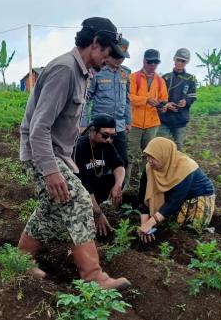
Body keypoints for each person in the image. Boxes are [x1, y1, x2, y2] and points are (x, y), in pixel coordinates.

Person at [18, 16, 131, 290]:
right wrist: (51, 170)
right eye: (106, 52)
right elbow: (39, 127)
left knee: (50, 210)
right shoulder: (65, 70)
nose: (108, 59)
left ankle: (20, 260)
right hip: (43, 153)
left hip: (55, 153)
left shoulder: (81, 72)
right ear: (95, 43)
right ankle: (93, 277)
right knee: (79, 201)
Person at [136, 137, 215, 242]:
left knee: (190, 230)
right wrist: (144, 225)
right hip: (173, 196)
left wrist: (151, 222)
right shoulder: (150, 169)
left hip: (197, 195)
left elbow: (175, 201)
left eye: (153, 157)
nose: (149, 161)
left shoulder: (186, 167)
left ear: (164, 155)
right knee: (165, 222)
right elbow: (143, 196)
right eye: (147, 156)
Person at [80, 38, 132, 174]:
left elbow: (127, 99)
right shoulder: (96, 73)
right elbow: (86, 99)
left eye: (122, 57)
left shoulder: (125, 73)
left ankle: (117, 190)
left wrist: (128, 121)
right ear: (109, 54)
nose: (119, 60)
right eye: (116, 56)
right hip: (101, 127)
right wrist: (84, 123)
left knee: (122, 161)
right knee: (100, 161)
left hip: (119, 127)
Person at [74, 115, 126, 236]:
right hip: (78, 187)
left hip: (94, 183)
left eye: (112, 136)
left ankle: (95, 207)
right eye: (105, 135)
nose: (109, 140)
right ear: (93, 131)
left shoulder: (106, 144)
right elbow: (83, 185)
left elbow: (119, 165)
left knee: (116, 178)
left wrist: (117, 186)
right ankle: (86, 213)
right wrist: (98, 214)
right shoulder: (80, 147)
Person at [125, 49, 169, 190]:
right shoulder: (133, 78)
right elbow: (129, 97)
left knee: (149, 156)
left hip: (152, 124)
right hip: (134, 123)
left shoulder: (160, 81)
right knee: (129, 155)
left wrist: (163, 106)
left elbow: (163, 99)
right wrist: (146, 100)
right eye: (150, 62)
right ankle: (123, 187)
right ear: (144, 61)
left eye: (156, 62)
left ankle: (145, 186)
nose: (153, 65)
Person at [159, 48, 198, 151]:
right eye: (178, 60)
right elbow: (159, 96)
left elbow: (192, 96)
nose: (180, 63)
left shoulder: (191, 79)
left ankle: (176, 167)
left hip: (180, 119)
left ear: (187, 62)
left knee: (178, 148)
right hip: (165, 119)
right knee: (162, 147)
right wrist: (166, 104)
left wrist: (186, 102)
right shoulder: (165, 77)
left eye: (183, 61)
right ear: (174, 59)